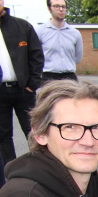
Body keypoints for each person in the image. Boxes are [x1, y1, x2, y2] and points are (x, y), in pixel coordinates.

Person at [0, 0, 43, 164]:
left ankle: (42, 166)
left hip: (23, 90)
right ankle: (10, 172)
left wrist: (32, 84)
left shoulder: (22, 26)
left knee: (34, 131)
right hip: (0, 91)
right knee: (3, 136)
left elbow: (36, 56)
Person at [36, 0, 83, 83]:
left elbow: (77, 58)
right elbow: (35, 57)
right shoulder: (40, 31)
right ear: (49, 9)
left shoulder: (75, 33)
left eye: (63, 7)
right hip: (48, 78)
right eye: (56, 6)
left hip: (70, 78)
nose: (61, 9)